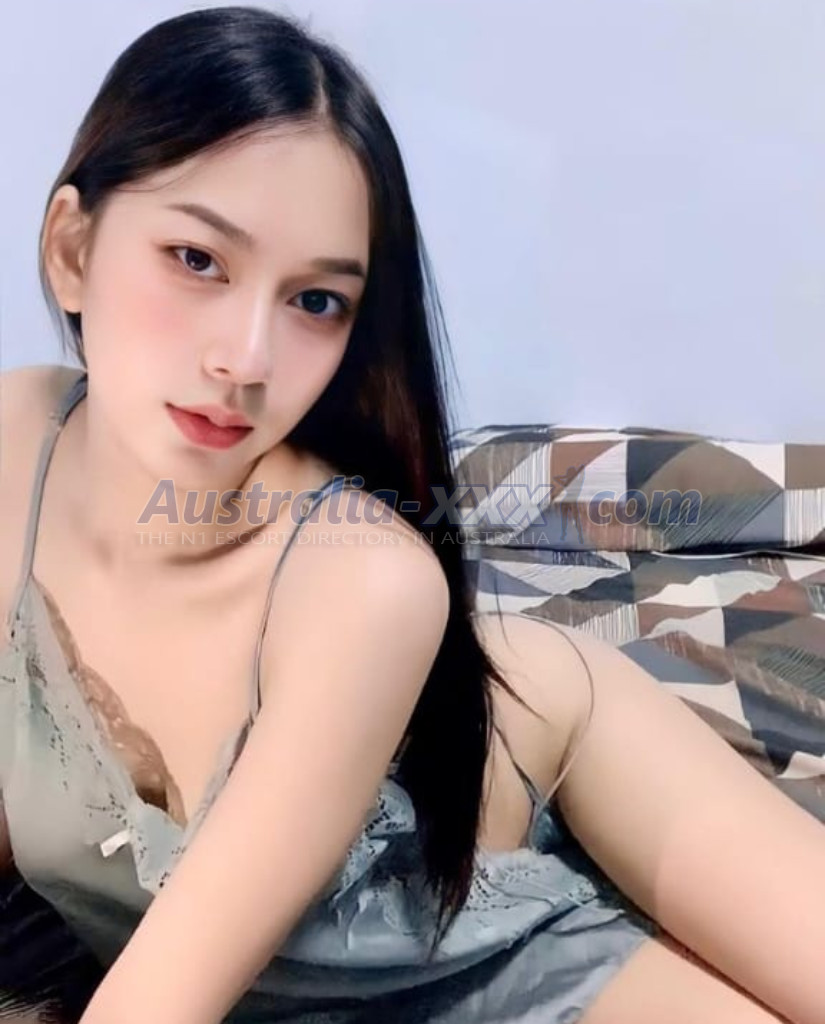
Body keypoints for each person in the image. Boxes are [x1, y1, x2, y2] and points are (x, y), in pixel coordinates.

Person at [1, 7, 823, 1023]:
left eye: (316, 301)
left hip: (513, 793)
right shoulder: (16, 444)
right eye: (198, 259)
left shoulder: (366, 583)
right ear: (72, 248)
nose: (245, 359)